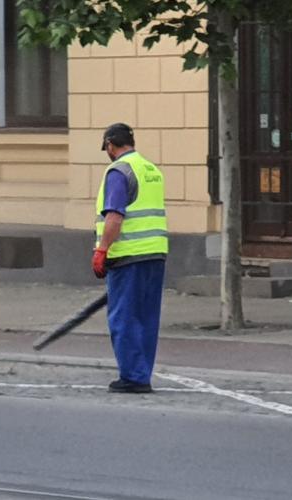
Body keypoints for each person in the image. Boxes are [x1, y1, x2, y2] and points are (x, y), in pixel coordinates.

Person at [92, 123, 168, 394]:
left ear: (111, 145)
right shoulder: (151, 170)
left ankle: (133, 376)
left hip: (128, 256)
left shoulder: (118, 171)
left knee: (124, 318)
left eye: (107, 148)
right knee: (147, 318)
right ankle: (142, 372)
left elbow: (114, 215)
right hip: (155, 254)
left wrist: (102, 249)